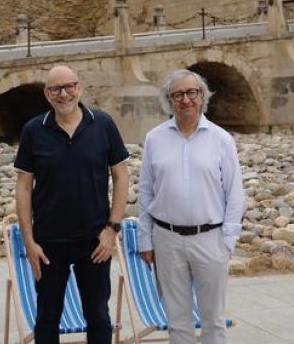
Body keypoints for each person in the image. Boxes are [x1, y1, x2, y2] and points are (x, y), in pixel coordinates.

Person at [14, 64, 130, 344]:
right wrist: (28, 241)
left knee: (99, 317)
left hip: (95, 240)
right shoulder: (34, 130)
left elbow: (122, 176)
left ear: (79, 88)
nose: (63, 94)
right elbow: (23, 187)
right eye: (56, 89)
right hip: (49, 242)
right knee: (47, 317)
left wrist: (112, 229)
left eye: (69, 86)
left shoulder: (102, 124)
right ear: (46, 94)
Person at [137, 70, 246, 344]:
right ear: (169, 100)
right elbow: (147, 192)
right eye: (178, 94)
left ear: (202, 97)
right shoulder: (154, 139)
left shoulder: (221, 139)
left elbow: (235, 193)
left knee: (214, 321)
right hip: (167, 240)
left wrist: (228, 241)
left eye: (191, 93)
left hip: (211, 239)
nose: (186, 100)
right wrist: (145, 240)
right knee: (178, 322)